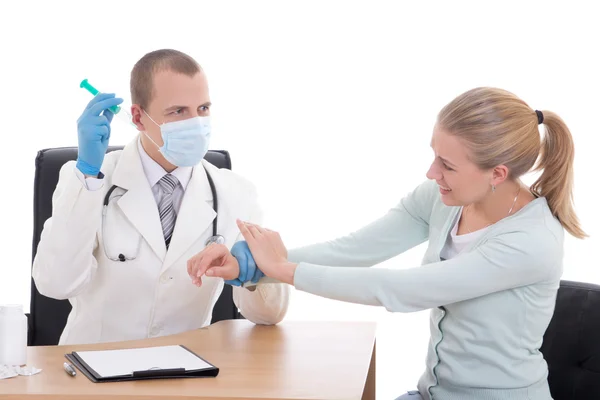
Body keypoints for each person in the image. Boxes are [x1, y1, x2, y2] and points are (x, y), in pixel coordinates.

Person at [190, 87, 586, 400]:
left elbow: (405, 290)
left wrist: (284, 270)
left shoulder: (532, 241)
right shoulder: (442, 197)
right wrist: (250, 265)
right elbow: (357, 249)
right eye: (435, 155)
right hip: (432, 393)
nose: (432, 172)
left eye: (448, 165)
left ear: (497, 173)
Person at [33, 49, 289, 345]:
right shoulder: (89, 181)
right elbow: (56, 284)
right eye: (178, 111)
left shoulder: (236, 192)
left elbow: (268, 316)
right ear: (139, 118)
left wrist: (252, 273)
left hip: (188, 369)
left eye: (203, 109)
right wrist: (88, 177)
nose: (196, 123)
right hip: (94, 366)